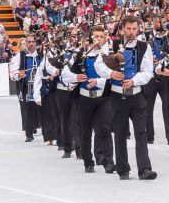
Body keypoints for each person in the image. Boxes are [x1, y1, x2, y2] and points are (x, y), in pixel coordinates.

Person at [95, 16, 157, 181]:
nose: (131, 32)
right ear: (123, 29)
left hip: (136, 95)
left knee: (141, 133)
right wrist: (110, 73)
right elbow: (98, 65)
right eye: (128, 29)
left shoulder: (144, 47)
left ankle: (144, 169)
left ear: (138, 29)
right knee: (120, 133)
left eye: (134, 29)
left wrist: (134, 81)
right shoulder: (112, 45)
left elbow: (148, 71)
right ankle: (123, 170)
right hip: (116, 96)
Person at [62, 25, 114, 173]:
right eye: (96, 37)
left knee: (104, 129)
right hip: (85, 98)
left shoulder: (109, 55)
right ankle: (88, 162)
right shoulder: (81, 54)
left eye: (101, 37)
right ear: (91, 38)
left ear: (105, 38)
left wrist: (99, 82)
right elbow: (65, 73)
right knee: (85, 131)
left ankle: (108, 161)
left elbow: (113, 76)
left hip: (103, 97)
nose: (98, 40)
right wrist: (75, 77)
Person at [9, 34, 41, 142]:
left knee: (42, 110)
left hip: (39, 87)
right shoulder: (20, 56)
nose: (31, 44)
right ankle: (29, 133)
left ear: (36, 43)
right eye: (29, 42)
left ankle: (47, 132)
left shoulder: (41, 55)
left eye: (33, 42)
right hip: (26, 87)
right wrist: (19, 75)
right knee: (27, 110)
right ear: (26, 43)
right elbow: (13, 74)